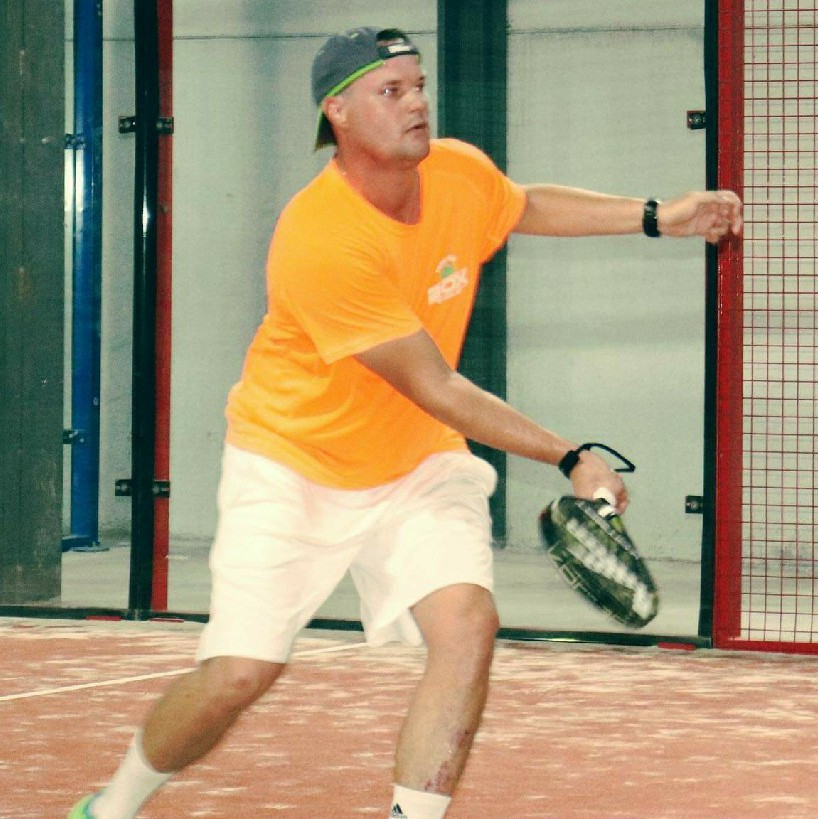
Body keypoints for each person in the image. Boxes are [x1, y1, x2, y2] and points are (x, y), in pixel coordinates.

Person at [69, 26, 742, 819]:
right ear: (338, 112)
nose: (417, 102)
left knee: (467, 624)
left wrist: (658, 215)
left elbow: (520, 204)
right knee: (240, 673)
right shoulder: (321, 237)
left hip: (417, 462)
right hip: (293, 465)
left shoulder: (456, 170)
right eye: (391, 92)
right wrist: (570, 456)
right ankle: (111, 805)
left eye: (418, 85)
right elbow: (437, 386)